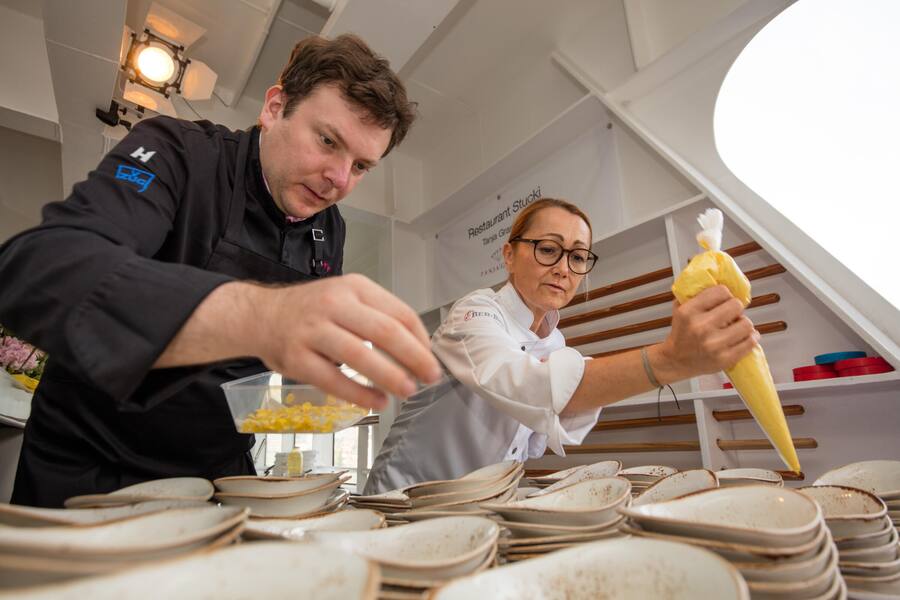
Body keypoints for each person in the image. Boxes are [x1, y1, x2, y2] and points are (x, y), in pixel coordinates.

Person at [0, 34, 441, 508]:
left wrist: (322, 390)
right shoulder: (176, 151)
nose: (339, 179)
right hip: (93, 465)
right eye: (328, 141)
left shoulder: (327, 229)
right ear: (275, 107)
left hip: (217, 477)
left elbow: (283, 382)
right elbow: (42, 268)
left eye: (360, 166)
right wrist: (261, 316)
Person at [365, 198, 759, 493]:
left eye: (577, 256)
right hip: (407, 495)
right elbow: (524, 384)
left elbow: (540, 431)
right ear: (509, 255)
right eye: (549, 249)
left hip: (477, 500)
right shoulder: (473, 313)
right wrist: (670, 361)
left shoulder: (553, 341)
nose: (563, 268)